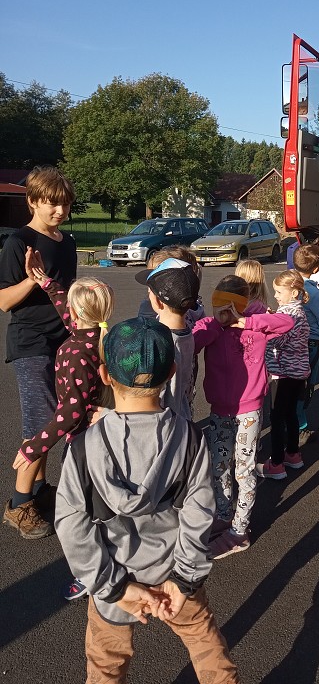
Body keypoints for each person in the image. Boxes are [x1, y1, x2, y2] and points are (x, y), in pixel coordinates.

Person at [54, 317, 240, 683]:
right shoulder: (189, 438)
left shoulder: (84, 449)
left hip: (114, 578)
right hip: (175, 573)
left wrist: (115, 587)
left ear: (105, 375)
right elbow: (199, 511)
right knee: (208, 652)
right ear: (172, 371)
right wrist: (184, 580)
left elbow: (71, 524)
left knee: (105, 666)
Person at [13, 251, 114, 600]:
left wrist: (33, 446)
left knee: (81, 513)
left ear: (79, 313)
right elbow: (67, 310)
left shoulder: (74, 350)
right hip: (101, 436)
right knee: (99, 503)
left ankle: (94, 573)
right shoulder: (98, 337)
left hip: (83, 444)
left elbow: (70, 412)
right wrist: (46, 282)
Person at [192, 275, 294, 557]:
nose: (224, 311)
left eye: (230, 305)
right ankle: (225, 515)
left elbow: (287, 323)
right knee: (218, 467)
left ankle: (240, 530)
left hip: (249, 410)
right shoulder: (212, 327)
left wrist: (245, 322)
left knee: (244, 471)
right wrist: (214, 321)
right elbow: (193, 341)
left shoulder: (256, 320)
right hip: (220, 410)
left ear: (243, 303)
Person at [0, 166, 77, 539]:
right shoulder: (18, 242)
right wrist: (31, 280)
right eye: (51, 204)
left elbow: (70, 293)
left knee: (59, 416)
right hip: (31, 343)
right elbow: (3, 302)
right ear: (32, 201)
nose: (59, 212)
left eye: (64, 205)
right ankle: (17, 505)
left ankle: (41, 489)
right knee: (42, 424)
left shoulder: (68, 242)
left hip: (65, 340)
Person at [257, 270, 311, 480]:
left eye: (280, 292)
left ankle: (277, 463)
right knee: (290, 413)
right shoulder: (298, 312)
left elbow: (277, 341)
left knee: (277, 416)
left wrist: (265, 327)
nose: (276, 295)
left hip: (282, 372)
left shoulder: (287, 315)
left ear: (294, 292)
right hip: (298, 372)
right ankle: (293, 453)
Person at [135, 257, 200, 423]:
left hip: (161, 426)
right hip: (182, 419)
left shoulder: (158, 342)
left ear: (157, 301)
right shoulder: (186, 334)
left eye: (150, 292)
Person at [293, 243, 319, 444]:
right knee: (307, 384)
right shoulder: (313, 293)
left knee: (296, 381)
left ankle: (295, 422)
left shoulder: (289, 284)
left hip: (294, 339)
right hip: (311, 342)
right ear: (316, 269)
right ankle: (301, 426)